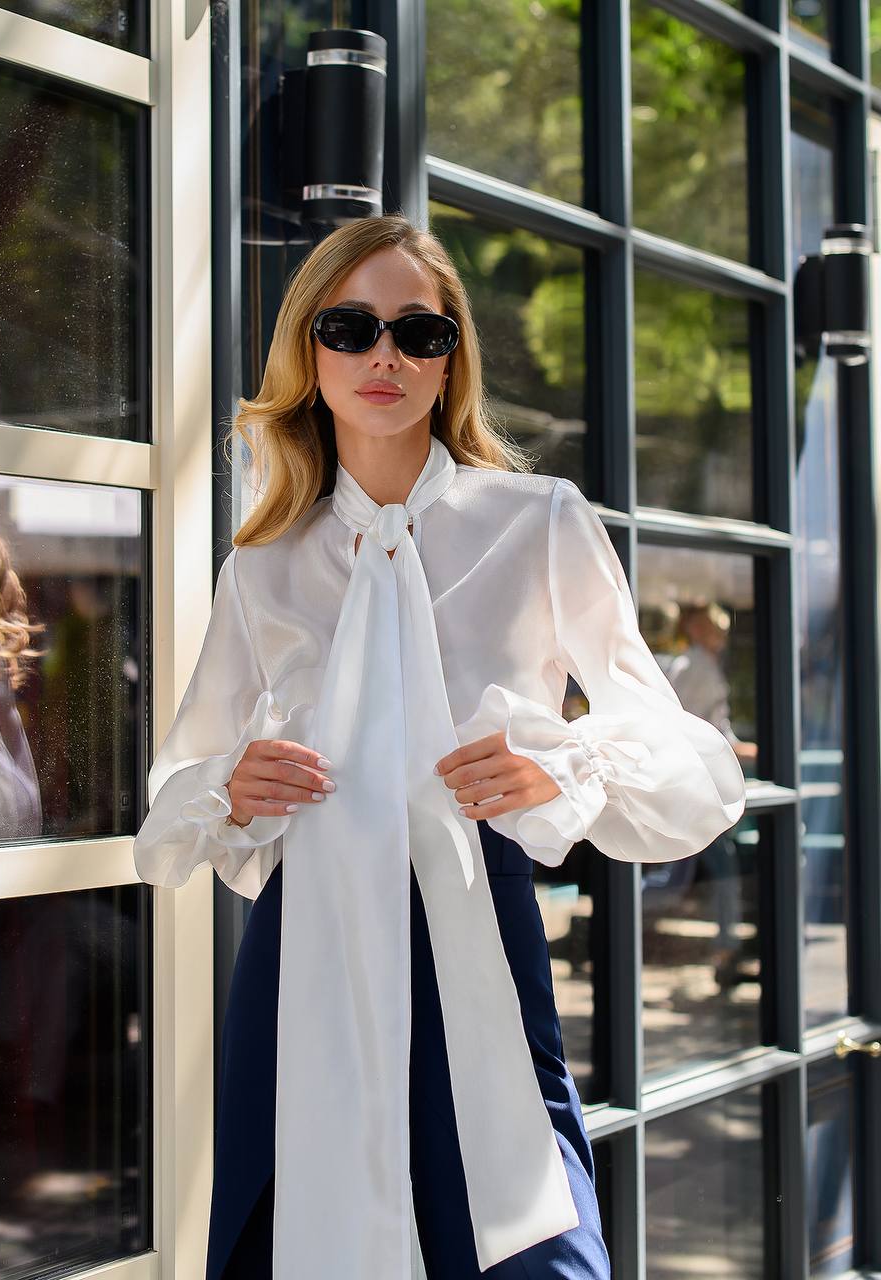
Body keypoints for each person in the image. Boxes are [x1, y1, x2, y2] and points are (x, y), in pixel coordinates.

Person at [133, 213, 747, 1279]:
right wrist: (229, 790)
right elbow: (173, 797)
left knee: (527, 1249)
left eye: (418, 332)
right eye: (351, 326)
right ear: (307, 351)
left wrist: (569, 762)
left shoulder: (538, 520)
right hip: (303, 956)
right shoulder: (265, 567)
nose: (384, 355)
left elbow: (693, 762)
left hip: (475, 931)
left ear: (450, 356)